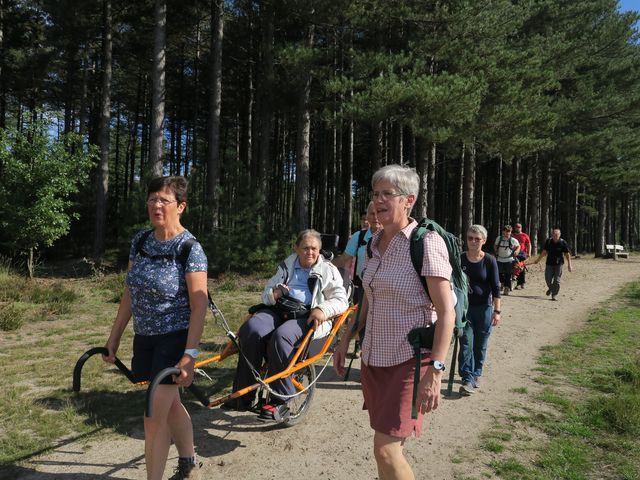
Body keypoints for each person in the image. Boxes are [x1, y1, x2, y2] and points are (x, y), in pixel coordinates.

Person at [333, 164, 455, 480]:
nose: (379, 200)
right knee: (386, 448)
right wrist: (345, 339)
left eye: (388, 193)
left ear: (408, 200)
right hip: (375, 359)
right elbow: (368, 298)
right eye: (376, 194)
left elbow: (447, 313)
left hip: (409, 362)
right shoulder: (372, 244)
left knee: (386, 449)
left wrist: (436, 373)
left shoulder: (425, 243)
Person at [103, 176, 208, 480]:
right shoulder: (140, 241)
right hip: (145, 338)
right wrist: (114, 338)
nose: (156, 205)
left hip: (174, 339)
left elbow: (199, 306)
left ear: (181, 206)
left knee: (153, 417)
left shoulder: (190, 249)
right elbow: (129, 293)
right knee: (171, 405)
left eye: (164, 200)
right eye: (152, 199)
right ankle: (189, 464)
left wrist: (189, 355)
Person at [224, 229, 348, 420]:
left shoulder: (328, 270)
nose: (310, 252)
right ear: (296, 248)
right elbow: (266, 293)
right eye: (305, 248)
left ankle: (279, 401)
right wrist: (273, 294)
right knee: (251, 330)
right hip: (278, 309)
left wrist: (323, 309)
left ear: (320, 250)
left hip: (305, 315)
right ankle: (244, 395)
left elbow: (341, 300)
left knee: (281, 336)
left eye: (314, 248)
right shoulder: (286, 266)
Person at [458, 225, 502, 396]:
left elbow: (496, 287)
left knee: (480, 343)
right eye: (470, 238)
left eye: (477, 239)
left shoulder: (489, 260)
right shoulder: (459, 259)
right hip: (464, 309)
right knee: (466, 342)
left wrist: (497, 312)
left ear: (484, 241)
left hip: (484, 308)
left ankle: (477, 373)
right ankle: (467, 377)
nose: (473, 241)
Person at [333, 202, 382, 296]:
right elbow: (344, 259)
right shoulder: (358, 236)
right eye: (372, 213)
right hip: (361, 289)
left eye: (378, 212)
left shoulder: (393, 237)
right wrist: (323, 264)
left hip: (384, 291)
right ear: (367, 216)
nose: (375, 217)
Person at [533, 228, 573, 301]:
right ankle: (551, 288)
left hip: (559, 264)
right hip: (549, 263)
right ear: (552, 235)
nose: (555, 236)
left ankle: (554, 295)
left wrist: (569, 265)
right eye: (554, 234)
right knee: (548, 279)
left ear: (559, 235)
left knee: (556, 280)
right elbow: (544, 252)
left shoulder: (563, 242)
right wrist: (538, 260)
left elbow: (567, 254)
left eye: (557, 234)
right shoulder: (548, 241)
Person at [493, 225, 520, 295]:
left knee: (508, 275)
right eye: (504, 233)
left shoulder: (513, 240)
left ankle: (507, 288)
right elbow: (495, 245)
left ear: (510, 232)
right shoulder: (498, 239)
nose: (506, 234)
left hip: (509, 260)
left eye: (507, 233)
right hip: (499, 259)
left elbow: (518, 246)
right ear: (502, 232)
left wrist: (517, 251)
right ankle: (502, 283)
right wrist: (495, 250)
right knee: (499, 273)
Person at [511, 223, 531, 290]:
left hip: (522, 254)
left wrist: (529, 253)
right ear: (515, 228)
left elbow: (529, 244)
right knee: (520, 267)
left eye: (519, 227)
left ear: (521, 228)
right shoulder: (512, 235)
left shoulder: (525, 235)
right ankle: (519, 282)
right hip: (513, 253)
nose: (518, 228)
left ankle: (518, 281)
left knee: (519, 265)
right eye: (516, 227)